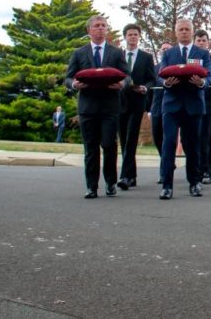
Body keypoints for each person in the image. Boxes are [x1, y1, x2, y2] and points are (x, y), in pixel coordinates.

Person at [64, 15, 129, 199]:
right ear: (89, 30)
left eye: (103, 26)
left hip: (110, 107)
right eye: (97, 26)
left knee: (109, 145)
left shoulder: (116, 53)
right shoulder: (79, 53)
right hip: (88, 108)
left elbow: (127, 76)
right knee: (91, 148)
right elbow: (68, 78)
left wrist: (122, 84)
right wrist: (74, 84)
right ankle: (91, 187)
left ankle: (110, 183)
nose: (101, 28)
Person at [158, 19, 211, 200]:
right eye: (180, 29)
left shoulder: (202, 53)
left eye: (187, 29)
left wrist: (201, 82)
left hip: (194, 106)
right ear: (176, 32)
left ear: (192, 32)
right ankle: (167, 185)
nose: (184, 32)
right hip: (171, 105)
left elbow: (209, 77)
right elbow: (160, 75)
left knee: (193, 145)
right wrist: (166, 83)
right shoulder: (169, 53)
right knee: (169, 144)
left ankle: (194, 183)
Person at [117, 23, 155, 190]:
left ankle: (125, 176)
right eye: (130, 34)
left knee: (131, 138)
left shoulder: (146, 57)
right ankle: (131, 175)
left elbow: (151, 79)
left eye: (135, 34)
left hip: (137, 102)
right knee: (123, 139)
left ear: (139, 37)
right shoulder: (118, 55)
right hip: (119, 102)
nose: (132, 37)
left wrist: (145, 88)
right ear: (125, 37)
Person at [193, 30, 211, 184]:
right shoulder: (189, 59)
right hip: (192, 104)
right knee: (192, 139)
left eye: (204, 40)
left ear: (208, 43)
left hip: (208, 105)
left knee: (207, 138)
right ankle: (197, 169)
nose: (201, 43)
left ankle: (210, 170)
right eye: (199, 40)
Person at [149, 42, 171, 161]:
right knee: (157, 135)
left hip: (172, 107)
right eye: (163, 49)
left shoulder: (175, 67)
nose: (165, 51)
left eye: (168, 49)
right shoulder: (155, 68)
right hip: (157, 107)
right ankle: (165, 159)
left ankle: (167, 162)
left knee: (169, 137)